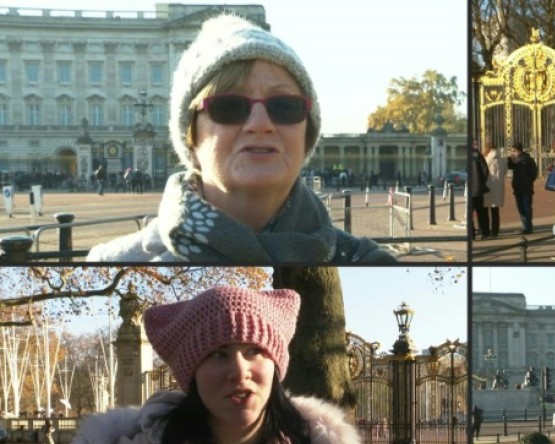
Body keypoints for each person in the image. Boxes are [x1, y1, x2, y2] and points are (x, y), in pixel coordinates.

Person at [57, 286, 377, 444]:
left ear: (276, 367)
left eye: (254, 351)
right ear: (191, 373)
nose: (239, 371)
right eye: (218, 355)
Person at [86, 14, 394, 263]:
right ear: (190, 138)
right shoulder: (109, 261)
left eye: (284, 107)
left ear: (306, 134)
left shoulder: (371, 262)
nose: (260, 124)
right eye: (229, 107)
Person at [507, 142, 538, 234]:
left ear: (518, 150)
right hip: (519, 187)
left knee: (525, 208)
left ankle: (527, 227)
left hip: (525, 187)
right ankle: (526, 226)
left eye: (513, 151)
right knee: (522, 207)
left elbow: (534, 173)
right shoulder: (516, 160)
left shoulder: (526, 160)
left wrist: (528, 181)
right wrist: (509, 158)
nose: (512, 153)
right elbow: (509, 166)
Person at [482, 140, 506, 237]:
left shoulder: (485, 159)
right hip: (498, 188)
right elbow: (504, 173)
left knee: (485, 211)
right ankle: (495, 232)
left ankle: (486, 230)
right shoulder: (502, 160)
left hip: (487, 187)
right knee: (495, 211)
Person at [469, 141, 491, 240]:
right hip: (478, 188)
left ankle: (471, 234)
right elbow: (485, 171)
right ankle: (485, 232)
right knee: (482, 212)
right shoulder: (478, 155)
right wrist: (481, 182)